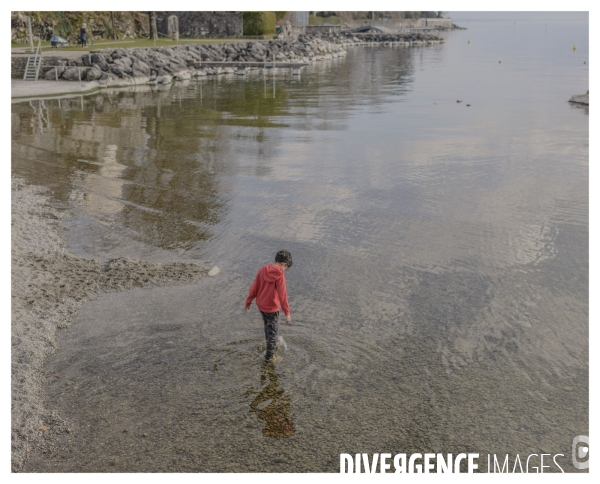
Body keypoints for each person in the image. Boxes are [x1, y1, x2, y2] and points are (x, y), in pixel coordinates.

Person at [245, 250, 293, 363]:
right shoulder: (280, 276)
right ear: (284, 264)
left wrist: (249, 300)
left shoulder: (262, 269)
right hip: (272, 308)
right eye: (286, 268)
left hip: (261, 306)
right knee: (273, 331)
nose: (284, 270)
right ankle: (270, 357)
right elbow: (283, 295)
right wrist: (287, 313)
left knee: (268, 327)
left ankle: (273, 344)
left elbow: (254, 286)